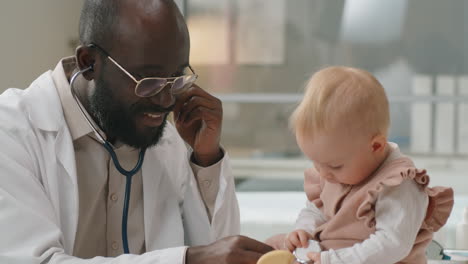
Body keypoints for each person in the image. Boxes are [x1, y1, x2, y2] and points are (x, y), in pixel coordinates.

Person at [0, 0, 272, 263]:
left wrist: (206, 159)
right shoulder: (13, 133)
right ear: (88, 63)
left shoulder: (167, 139)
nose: (166, 101)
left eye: (176, 78)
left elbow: (218, 249)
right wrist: (187, 260)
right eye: (148, 81)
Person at [267, 66, 454, 263]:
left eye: (335, 165)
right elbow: (316, 209)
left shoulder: (398, 184)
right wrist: (304, 229)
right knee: (272, 245)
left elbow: (391, 244)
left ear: (375, 146)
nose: (324, 173)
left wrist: (335, 259)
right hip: (329, 253)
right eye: (315, 163)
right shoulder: (335, 168)